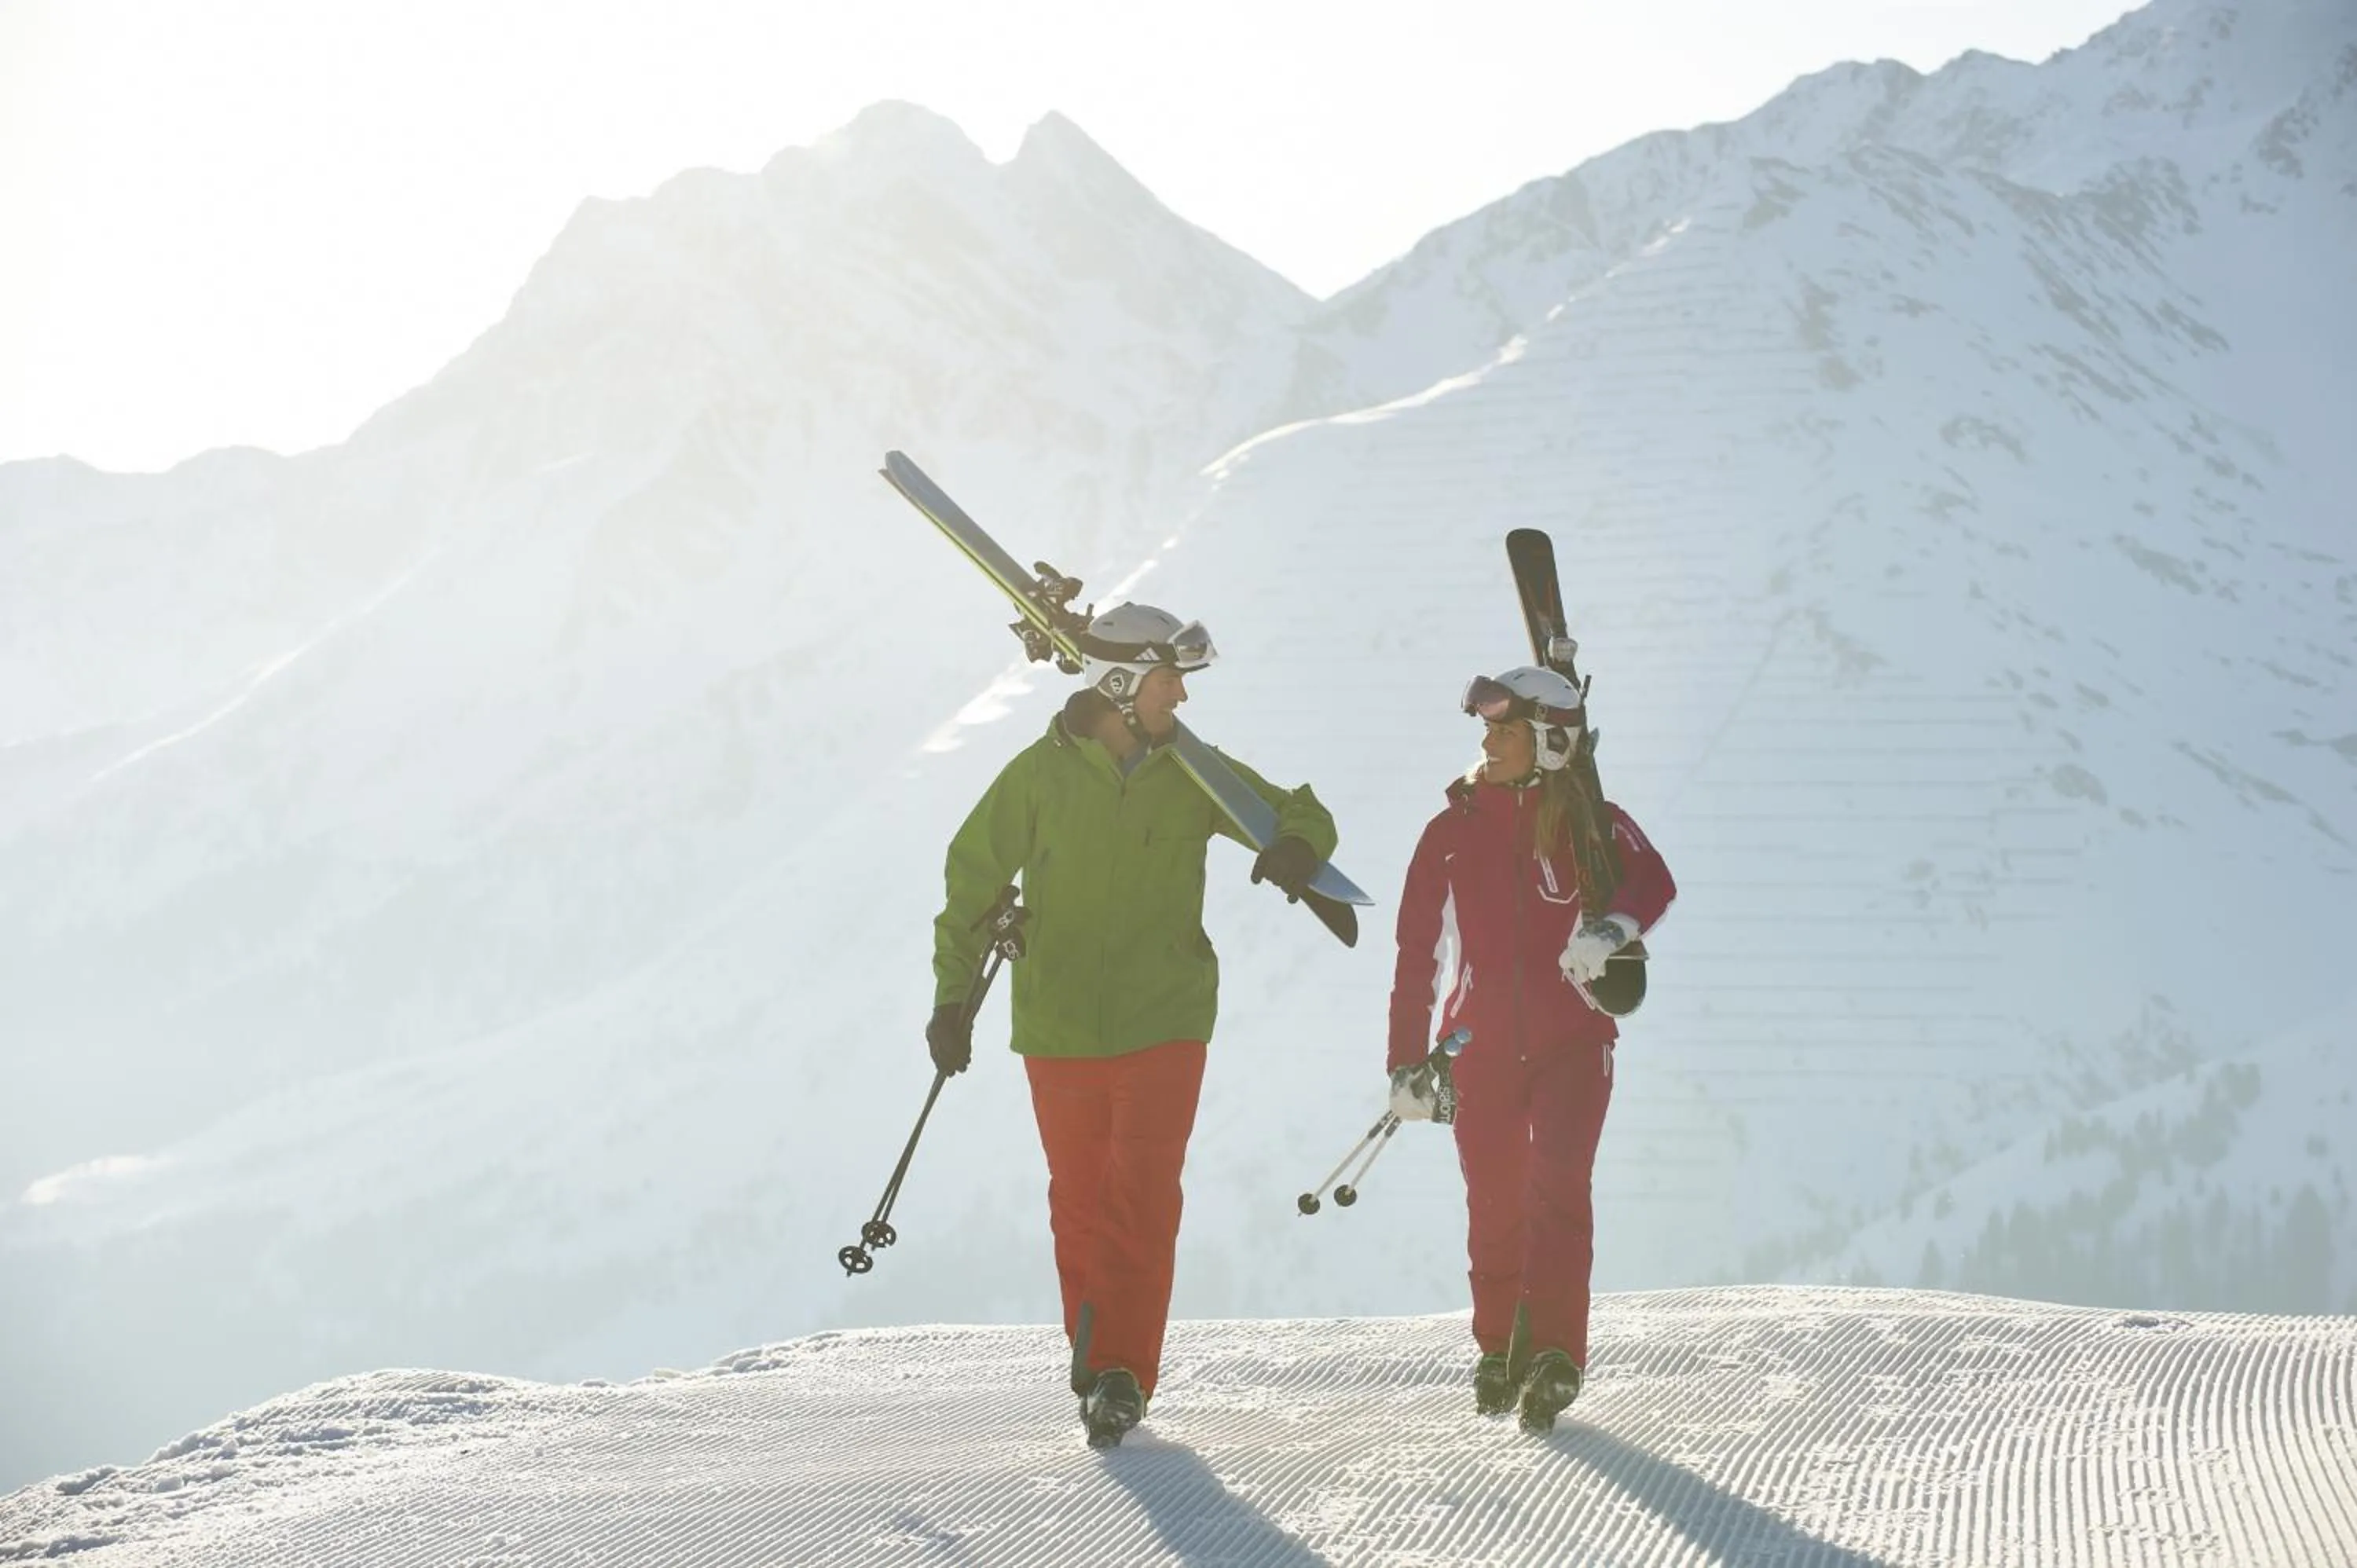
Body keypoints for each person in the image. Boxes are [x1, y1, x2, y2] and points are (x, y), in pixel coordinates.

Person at [926, 601, 1340, 1448]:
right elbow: (970, 885)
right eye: (1167, 679)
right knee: (1078, 1200)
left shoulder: (1193, 772)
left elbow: (1297, 808)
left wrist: (1296, 845)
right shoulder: (1036, 776)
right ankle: (1094, 1347)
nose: (1181, 697)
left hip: (1166, 1019)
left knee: (1143, 1195)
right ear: (1119, 685)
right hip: (1058, 1025)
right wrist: (950, 1000)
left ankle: (1121, 1371)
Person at [1384, 665, 1676, 1431]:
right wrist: (1406, 1060)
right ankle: (1495, 1347)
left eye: (1504, 730)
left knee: (1557, 1187)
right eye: (1485, 728)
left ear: (1549, 741)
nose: (1487, 741)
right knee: (1495, 1202)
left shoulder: (1589, 823)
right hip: (1477, 1047)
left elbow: (1653, 877)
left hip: (1574, 1042)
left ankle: (1554, 1354)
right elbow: (1418, 950)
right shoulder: (1449, 832)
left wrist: (1613, 927)